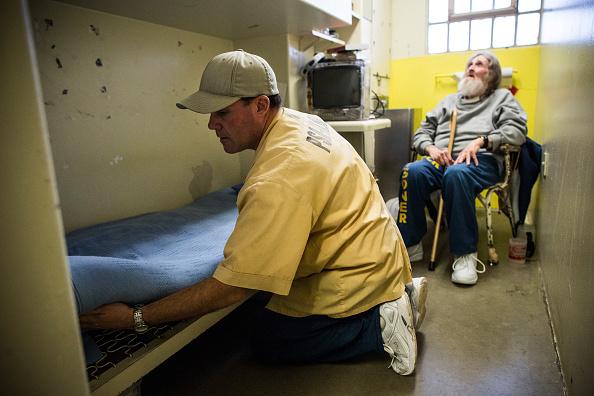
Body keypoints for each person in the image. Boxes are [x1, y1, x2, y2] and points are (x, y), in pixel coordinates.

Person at [79, 50, 428, 375]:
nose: (212, 124)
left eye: (223, 112)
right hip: (378, 251)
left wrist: (136, 318)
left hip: (357, 276)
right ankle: (399, 295)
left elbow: (232, 289)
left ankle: (378, 325)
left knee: (269, 339)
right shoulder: (300, 122)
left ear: (261, 105)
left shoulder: (278, 177)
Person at [396, 51, 527, 285]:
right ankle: (411, 242)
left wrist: (481, 141)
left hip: (481, 160)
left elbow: (517, 132)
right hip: (441, 159)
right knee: (411, 171)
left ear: (492, 73)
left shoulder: (502, 98)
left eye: (479, 64)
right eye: (469, 64)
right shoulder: (448, 101)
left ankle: (465, 254)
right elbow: (422, 132)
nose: (471, 67)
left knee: (457, 175)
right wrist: (431, 148)